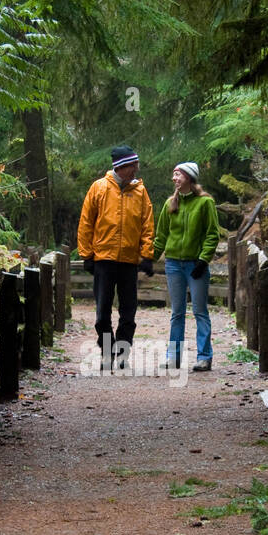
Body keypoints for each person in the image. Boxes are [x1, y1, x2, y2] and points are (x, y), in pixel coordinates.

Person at [77, 145, 155, 369]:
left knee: (128, 312)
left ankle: (122, 354)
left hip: (129, 262)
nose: (136, 170)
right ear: (121, 166)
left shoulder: (140, 191)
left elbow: (147, 225)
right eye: (133, 166)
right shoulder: (98, 188)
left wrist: (146, 255)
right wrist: (87, 255)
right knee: (102, 313)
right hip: (104, 259)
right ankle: (107, 352)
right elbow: (86, 223)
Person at [153, 161, 220, 371]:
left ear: (189, 178)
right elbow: (161, 236)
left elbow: (212, 234)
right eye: (173, 175)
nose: (174, 178)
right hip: (173, 264)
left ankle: (204, 357)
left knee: (200, 311)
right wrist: (149, 259)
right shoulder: (169, 204)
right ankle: (173, 357)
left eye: (178, 175)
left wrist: (203, 260)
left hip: (196, 264)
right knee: (177, 312)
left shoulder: (205, 203)